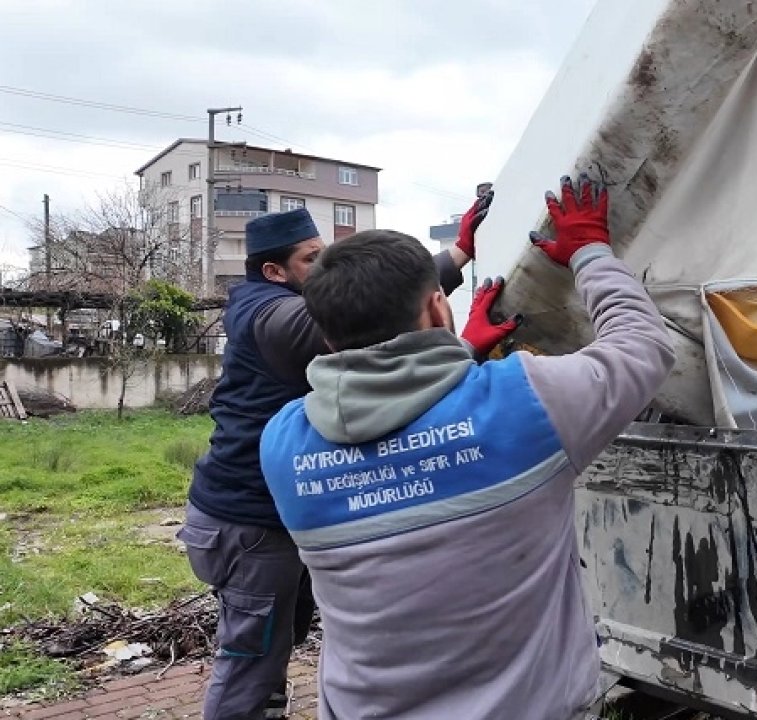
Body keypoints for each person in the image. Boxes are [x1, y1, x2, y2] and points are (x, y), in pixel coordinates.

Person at [258, 175, 675, 720]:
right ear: (438, 308)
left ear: (328, 335)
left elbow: (398, 426)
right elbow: (643, 345)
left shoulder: (284, 446)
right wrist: (590, 252)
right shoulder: (526, 404)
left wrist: (459, 352)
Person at [177, 195, 502, 720]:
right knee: (248, 665)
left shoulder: (273, 302)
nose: (326, 265)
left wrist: (457, 254)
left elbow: (372, 302)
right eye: (312, 258)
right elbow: (368, 311)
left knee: (274, 645)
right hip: (248, 524)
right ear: (273, 271)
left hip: (264, 516)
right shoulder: (270, 316)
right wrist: (461, 345)